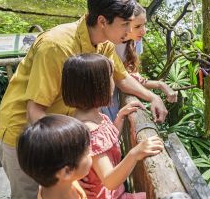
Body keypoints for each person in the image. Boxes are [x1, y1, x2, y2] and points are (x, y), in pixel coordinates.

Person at [0, 0, 167, 199]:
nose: (128, 31)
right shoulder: (56, 46)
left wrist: (152, 96)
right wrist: (74, 159)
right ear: (103, 21)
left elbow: (122, 78)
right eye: (124, 24)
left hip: (64, 136)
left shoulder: (105, 43)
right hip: (28, 134)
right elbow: (35, 112)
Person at [62, 53, 164, 198]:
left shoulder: (93, 117)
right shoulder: (90, 132)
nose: (113, 82)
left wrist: (119, 118)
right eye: (110, 76)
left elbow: (106, 146)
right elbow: (109, 180)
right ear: (97, 85)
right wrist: (135, 154)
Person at [102, 4, 177, 121]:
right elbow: (123, 79)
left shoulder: (136, 43)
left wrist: (160, 85)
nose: (144, 31)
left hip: (114, 98)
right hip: (102, 98)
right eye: (137, 26)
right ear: (124, 25)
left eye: (144, 24)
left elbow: (132, 80)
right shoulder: (107, 44)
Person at [16, 115, 91, 199]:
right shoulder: (64, 182)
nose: (91, 154)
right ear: (66, 171)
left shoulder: (57, 182)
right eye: (87, 152)